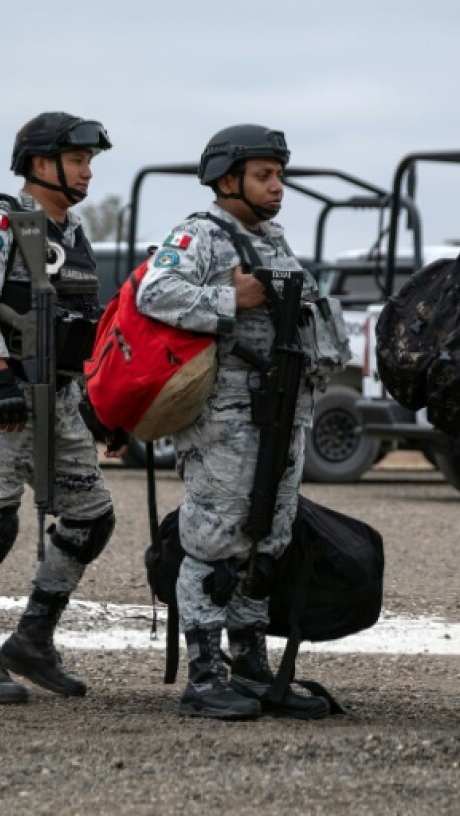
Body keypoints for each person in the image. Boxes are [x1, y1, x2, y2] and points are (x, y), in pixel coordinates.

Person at [135, 125, 350, 720]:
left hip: (282, 414)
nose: (278, 186)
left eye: (279, 175)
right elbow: (155, 294)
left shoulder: (274, 240)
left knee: (266, 537)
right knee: (212, 540)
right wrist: (232, 302)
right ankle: (205, 677)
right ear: (227, 180)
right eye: (264, 175)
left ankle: (249, 666)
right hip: (226, 418)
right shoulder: (199, 234)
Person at [0, 112, 117, 704]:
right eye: (78, 159)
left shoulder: (72, 234)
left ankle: (33, 639)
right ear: (41, 164)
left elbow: (85, 326)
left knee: (91, 518)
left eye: (89, 160)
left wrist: (100, 406)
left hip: (61, 400)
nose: (88, 170)